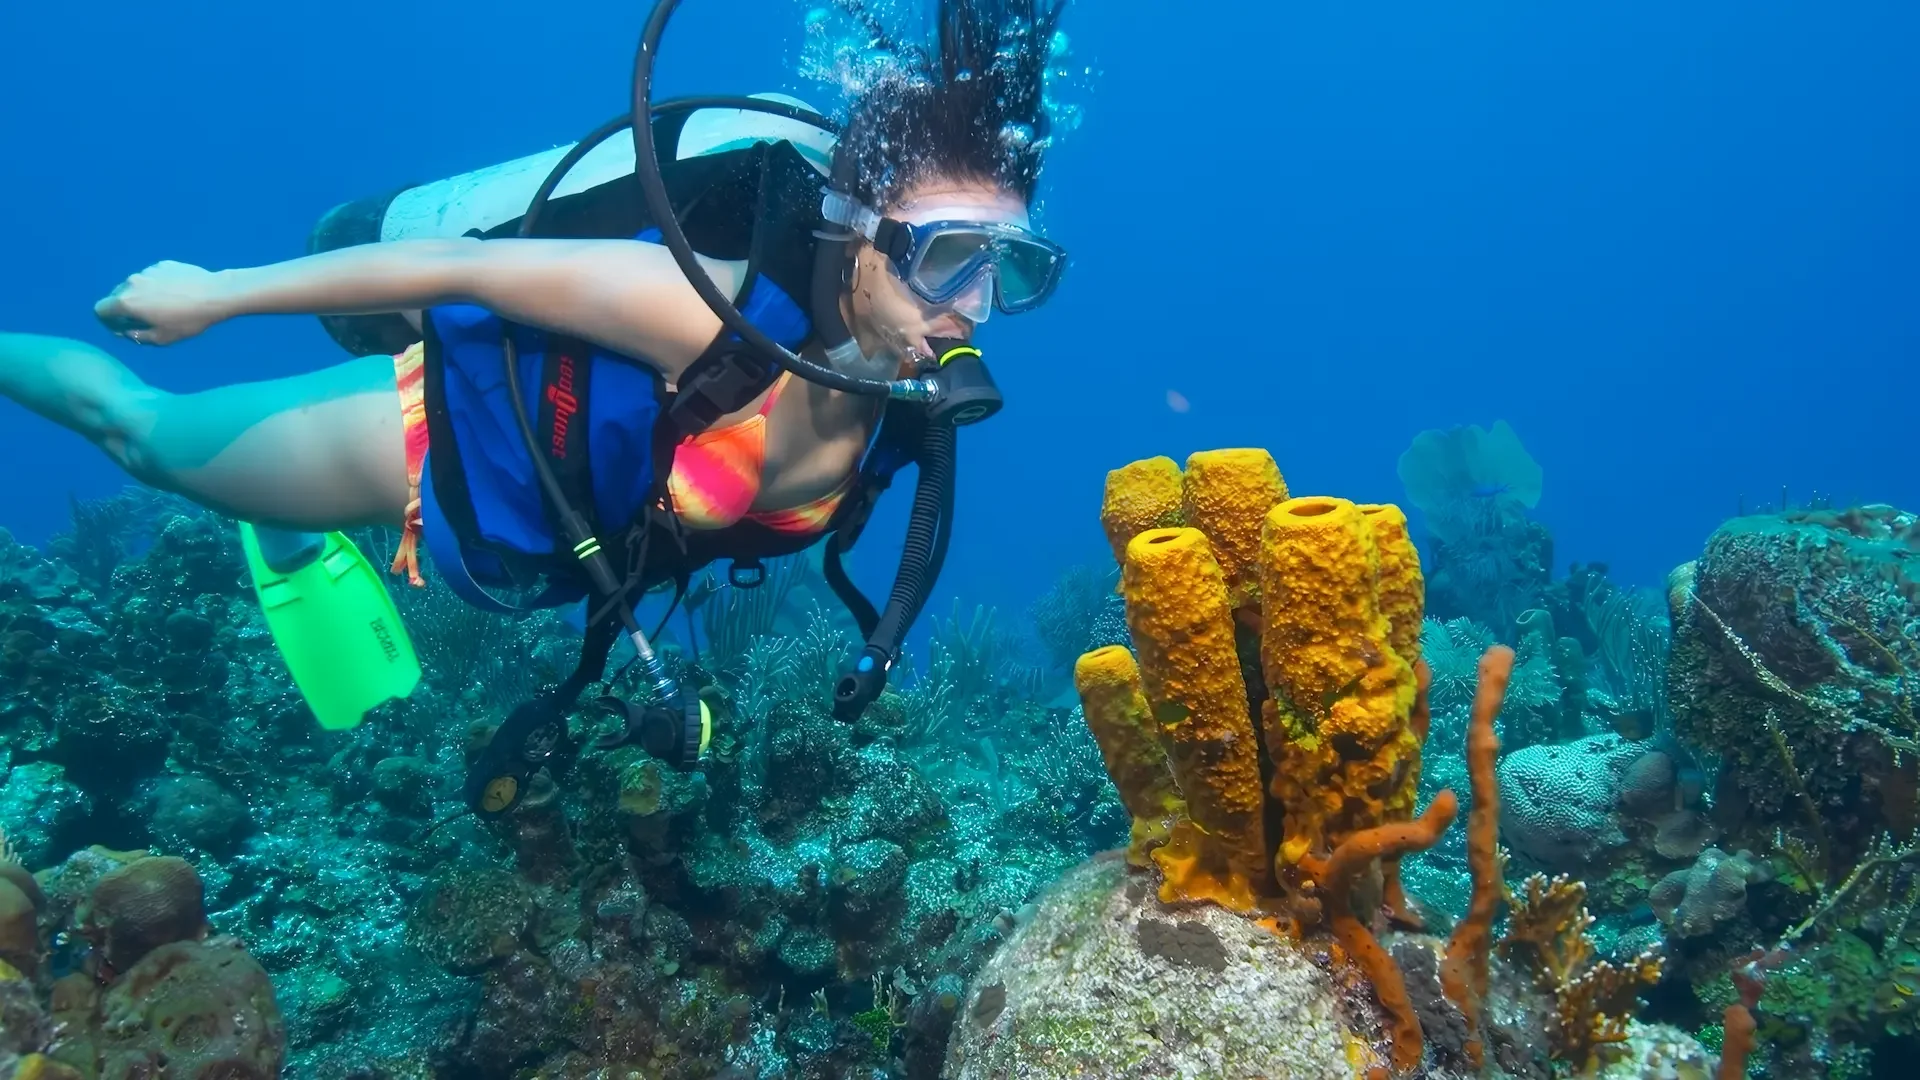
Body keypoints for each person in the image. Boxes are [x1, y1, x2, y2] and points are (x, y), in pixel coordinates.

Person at [0, 0, 1070, 784]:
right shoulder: (705, 314)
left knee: (194, 465)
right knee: (137, 434)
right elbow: (462, 271)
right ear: (854, 228)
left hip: (550, 548)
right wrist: (218, 296)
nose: (972, 306)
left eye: (1012, 269)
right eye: (945, 260)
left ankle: (282, 536)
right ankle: (268, 514)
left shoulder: (912, 394)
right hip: (442, 453)